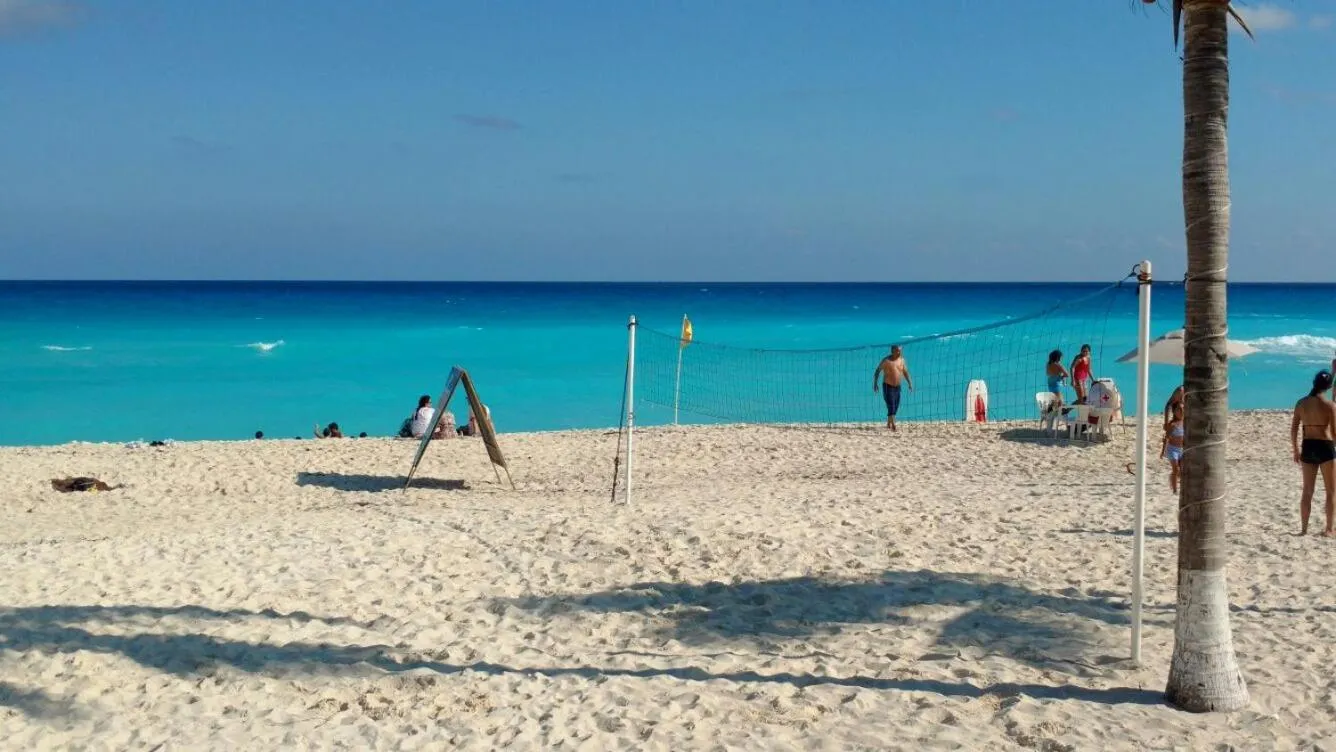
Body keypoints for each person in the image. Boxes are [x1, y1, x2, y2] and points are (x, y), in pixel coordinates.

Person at [1291, 370, 1336, 537]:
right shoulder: (1330, 405)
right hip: (1325, 446)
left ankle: (1304, 529)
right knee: (1331, 491)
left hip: (1308, 446)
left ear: (1314, 382)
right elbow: (1334, 433)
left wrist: (1296, 449)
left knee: (1307, 491)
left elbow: (1294, 429)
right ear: (1329, 387)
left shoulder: (1301, 403)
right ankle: (1329, 529)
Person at [872, 345, 913, 431]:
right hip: (888, 386)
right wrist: (875, 383)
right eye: (897, 350)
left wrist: (910, 383)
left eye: (900, 350)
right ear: (892, 351)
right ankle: (893, 424)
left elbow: (905, 372)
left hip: (897, 387)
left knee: (896, 405)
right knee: (891, 405)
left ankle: (888, 423)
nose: (899, 352)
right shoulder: (886, 360)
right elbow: (877, 371)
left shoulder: (902, 360)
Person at [1160, 402, 1185, 494]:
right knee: (1176, 469)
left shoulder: (1186, 422)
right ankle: (1175, 491)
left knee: (1182, 470)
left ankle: (1172, 478)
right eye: (1179, 409)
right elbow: (1166, 438)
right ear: (1174, 411)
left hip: (1182, 449)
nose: (1181, 411)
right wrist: (1163, 451)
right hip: (1172, 449)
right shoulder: (1172, 425)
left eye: (1183, 409)